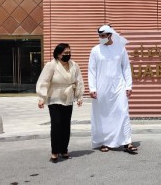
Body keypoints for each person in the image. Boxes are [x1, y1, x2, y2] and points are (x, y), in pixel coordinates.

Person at [88, 25, 137, 154]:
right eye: (100, 36)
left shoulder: (120, 49)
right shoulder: (95, 51)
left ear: (110, 35)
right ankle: (104, 142)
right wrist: (92, 88)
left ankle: (127, 142)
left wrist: (129, 85)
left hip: (119, 86)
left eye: (103, 36)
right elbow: (92, 70)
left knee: (122, 111)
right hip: (101, 87)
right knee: (103, 114)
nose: (101, 38)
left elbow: (126, 67)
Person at [36, 43, 84, 163]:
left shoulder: (74, 65)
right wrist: (42, 97)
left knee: (66, 124)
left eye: (69, 53)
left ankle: (64, 149)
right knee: (56, 124)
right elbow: (44, 81)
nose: (68, 55)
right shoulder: (51, 65)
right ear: (58, 54)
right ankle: (55, 151)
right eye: (65, 53)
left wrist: (79, 96)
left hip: (68, 98)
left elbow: (79, 81)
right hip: (54, 98)